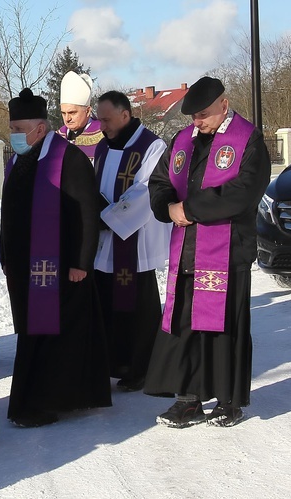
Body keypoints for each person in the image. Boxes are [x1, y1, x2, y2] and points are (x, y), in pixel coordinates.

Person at [145, 76, 271, 428]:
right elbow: (159, 181)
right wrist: (167, 207)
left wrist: (190, 209)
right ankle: (188, 400)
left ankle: (229, 401)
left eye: (203, 115)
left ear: (224, 104)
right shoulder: (183, 140)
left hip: (227, 251)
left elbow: (243, 192)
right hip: (186, 250)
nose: (196, 123)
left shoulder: (249, 140)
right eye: (193, 117)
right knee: (183, 325)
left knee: (224, 327)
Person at [2, 88, 111, 428]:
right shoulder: (17, 160)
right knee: (33, 334)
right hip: (24, 267)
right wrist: (6, 255)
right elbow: (8, 213)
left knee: (58, 336)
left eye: (19, 129)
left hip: (62, 267)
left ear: (39, 128)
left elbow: (87, 214)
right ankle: (33, 398)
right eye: (12, 129)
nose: (14, 135)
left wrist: (82, 262)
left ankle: (50, 402)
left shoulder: (69, 158)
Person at [93, 90, 170, 392]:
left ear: (125, 115)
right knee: (107, 304)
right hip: (105, 242)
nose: (102, 126)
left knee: (138, 307)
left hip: (134, 243)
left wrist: (109, 217)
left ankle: (139, 367)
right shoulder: (101, 147)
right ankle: (113, 363)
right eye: (100, 120)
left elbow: (145, 190)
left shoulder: (153, 146)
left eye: (107, 120)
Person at [57, 71, 104, 162]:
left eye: (72, 113)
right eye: (63, 113)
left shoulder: (104, 134)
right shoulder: (58, 137)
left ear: (87, 111)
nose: (67, 119)